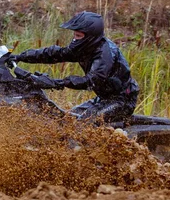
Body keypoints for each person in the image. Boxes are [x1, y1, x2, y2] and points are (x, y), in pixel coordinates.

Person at [10, 11, 140, 123]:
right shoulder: (84, 46)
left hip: (122, 101)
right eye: (75, 35)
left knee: (83, 125)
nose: (74, 39)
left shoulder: (105, 55)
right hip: (103, 98)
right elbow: (55, 54)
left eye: (78, 36)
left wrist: (57, 83)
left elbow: (91, 81)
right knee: (67, 120)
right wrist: (20, 57)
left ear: (90, 37)